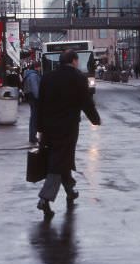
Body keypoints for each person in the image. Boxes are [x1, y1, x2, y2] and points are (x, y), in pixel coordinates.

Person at [36, 50, 101, 220]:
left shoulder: (48, 77)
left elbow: (40, 105)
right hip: (68, 127)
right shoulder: (78, 77)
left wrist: (40, 129)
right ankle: (45, 198)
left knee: (62, 157)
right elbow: (86, 101)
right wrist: (95, 119)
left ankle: (70, 190)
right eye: (77, 61)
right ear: (73, 61)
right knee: (59, 160)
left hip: (49, 128)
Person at [22, 62, 42, 145]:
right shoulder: (33, 75)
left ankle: (33, 136)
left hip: (30, 97)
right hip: (34, 98)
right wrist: (39, 98)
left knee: (33, 117)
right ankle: (33, 137)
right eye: (39, 67)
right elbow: (35, 88)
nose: (40, 69)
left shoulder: (28, 74)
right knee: (34, 118)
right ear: (37, 67)